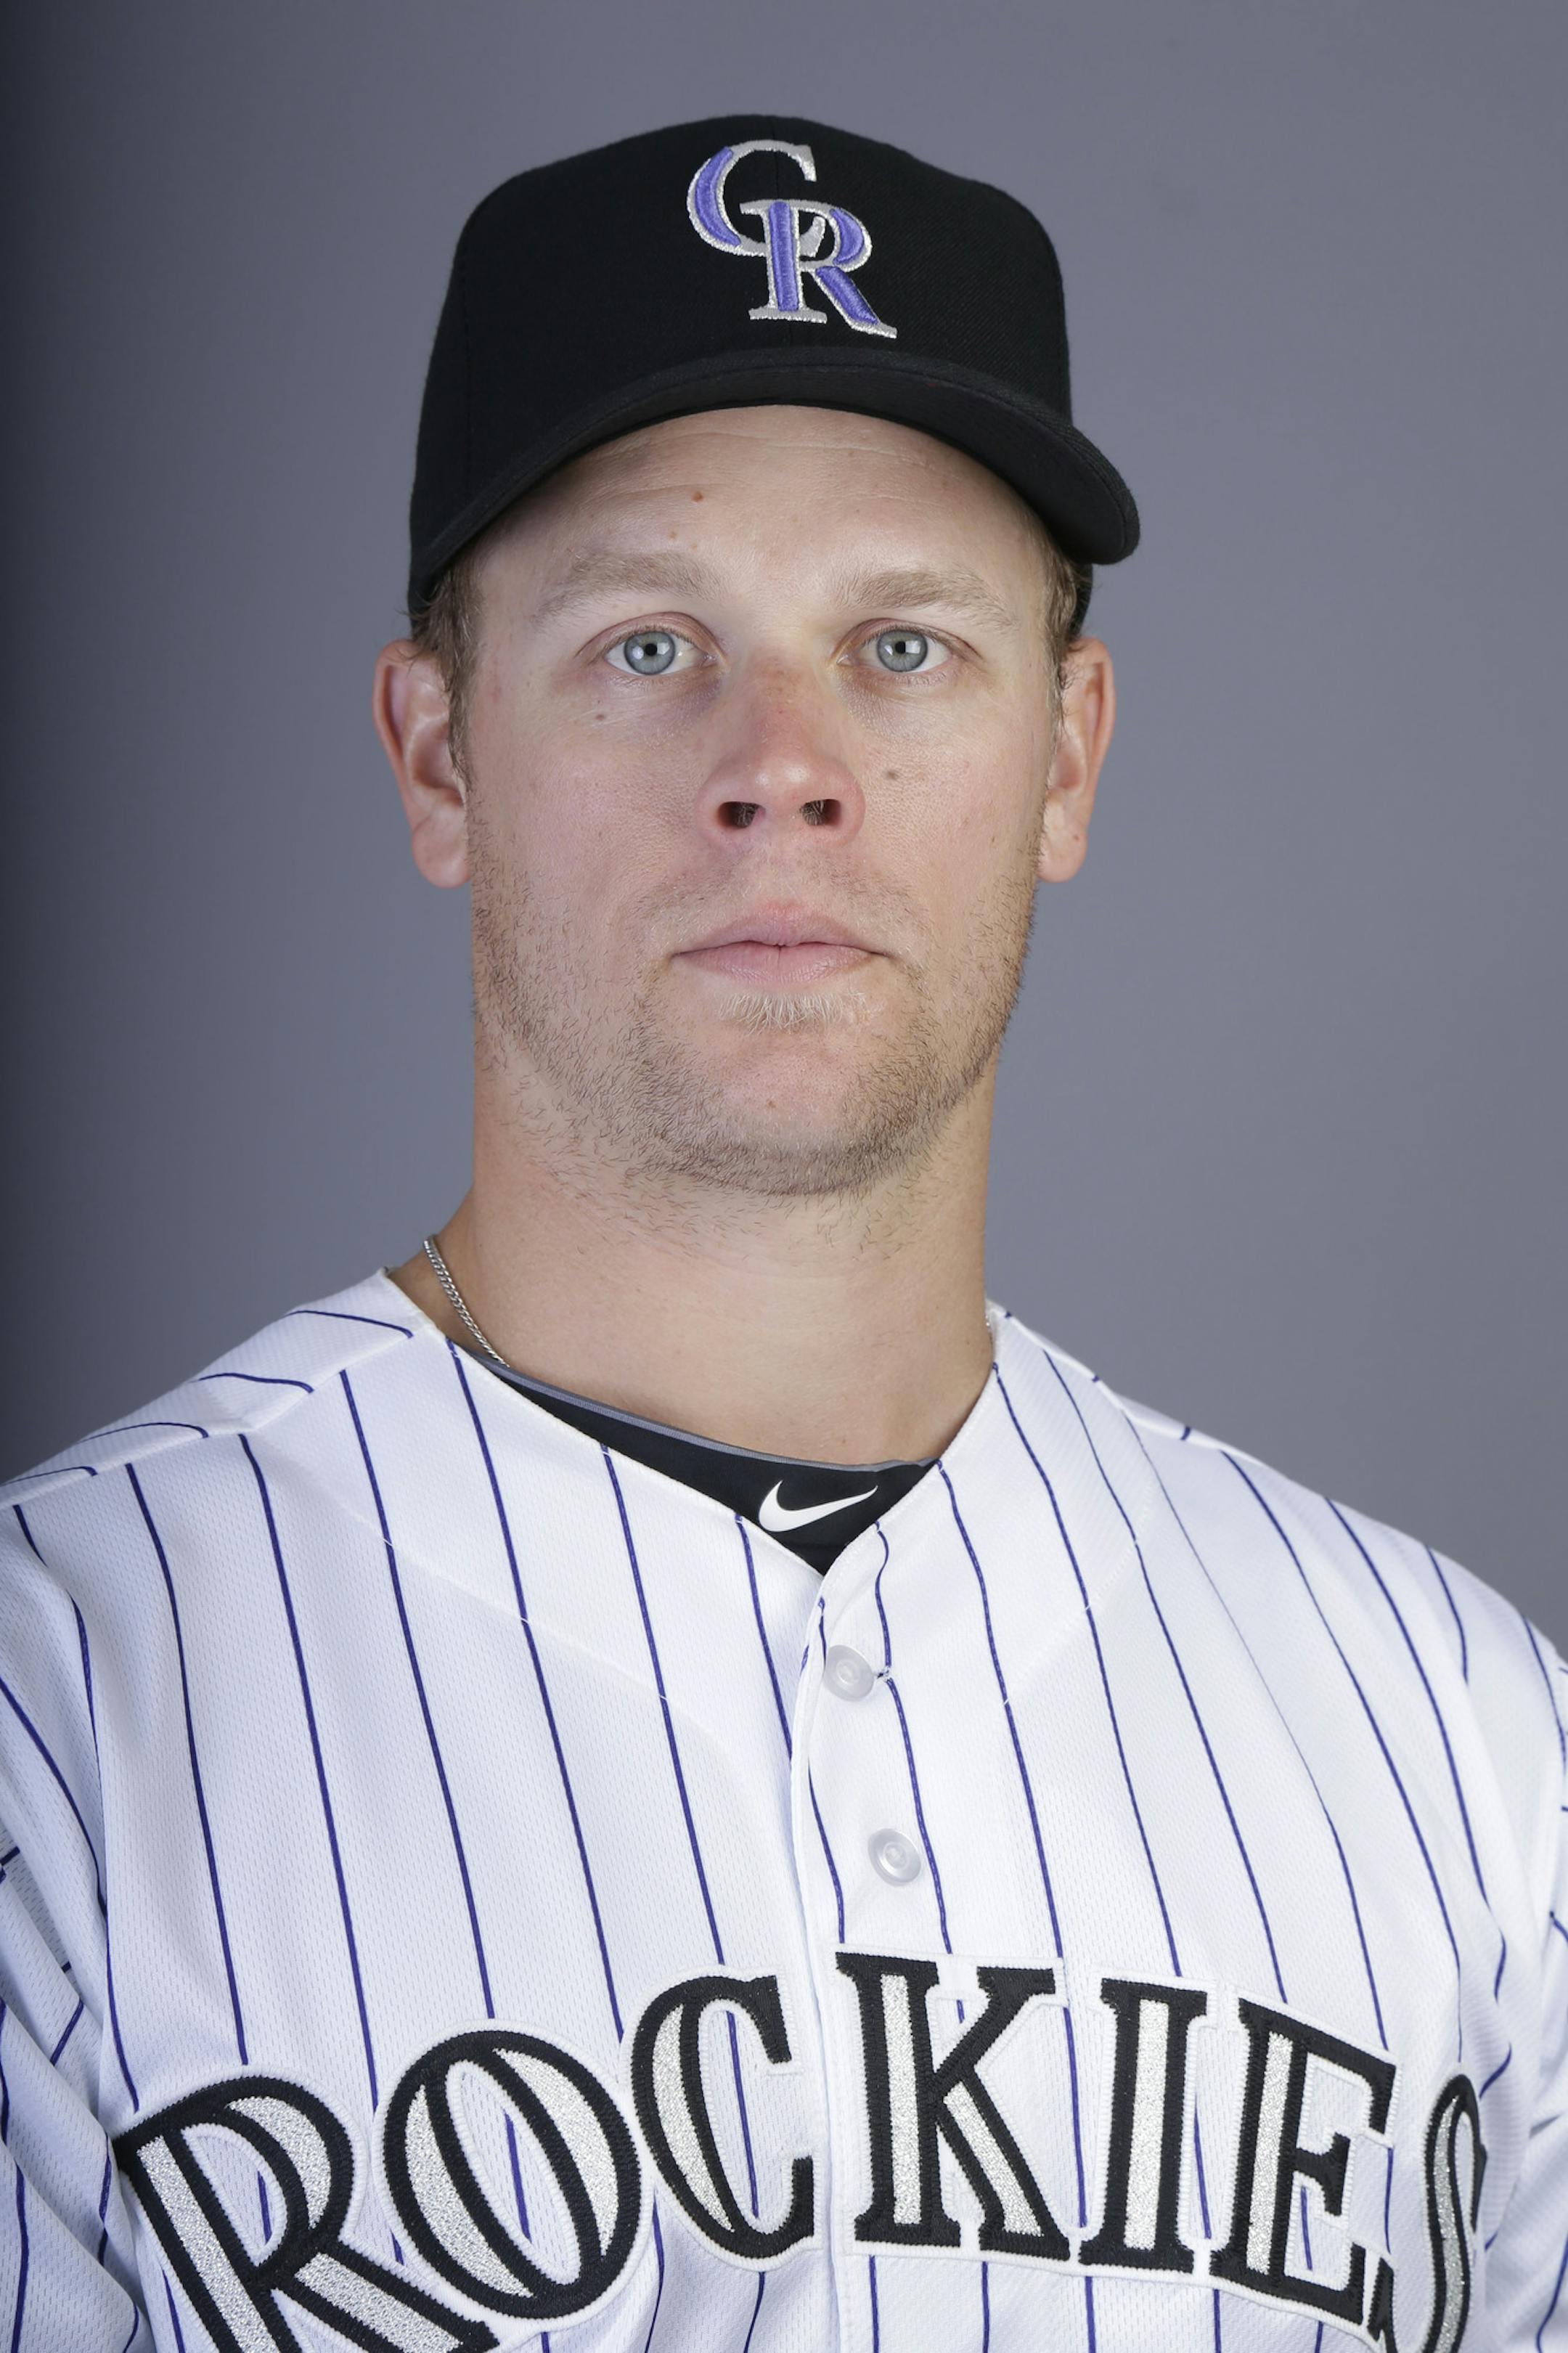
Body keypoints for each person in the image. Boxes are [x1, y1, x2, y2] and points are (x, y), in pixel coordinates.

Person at [1, 114, 1562, 2353]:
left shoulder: (1465, 1747)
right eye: (650, 644)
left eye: (906, 647)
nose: (785, 765)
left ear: (1068, 757)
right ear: (436, 756)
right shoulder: (60, 1710)